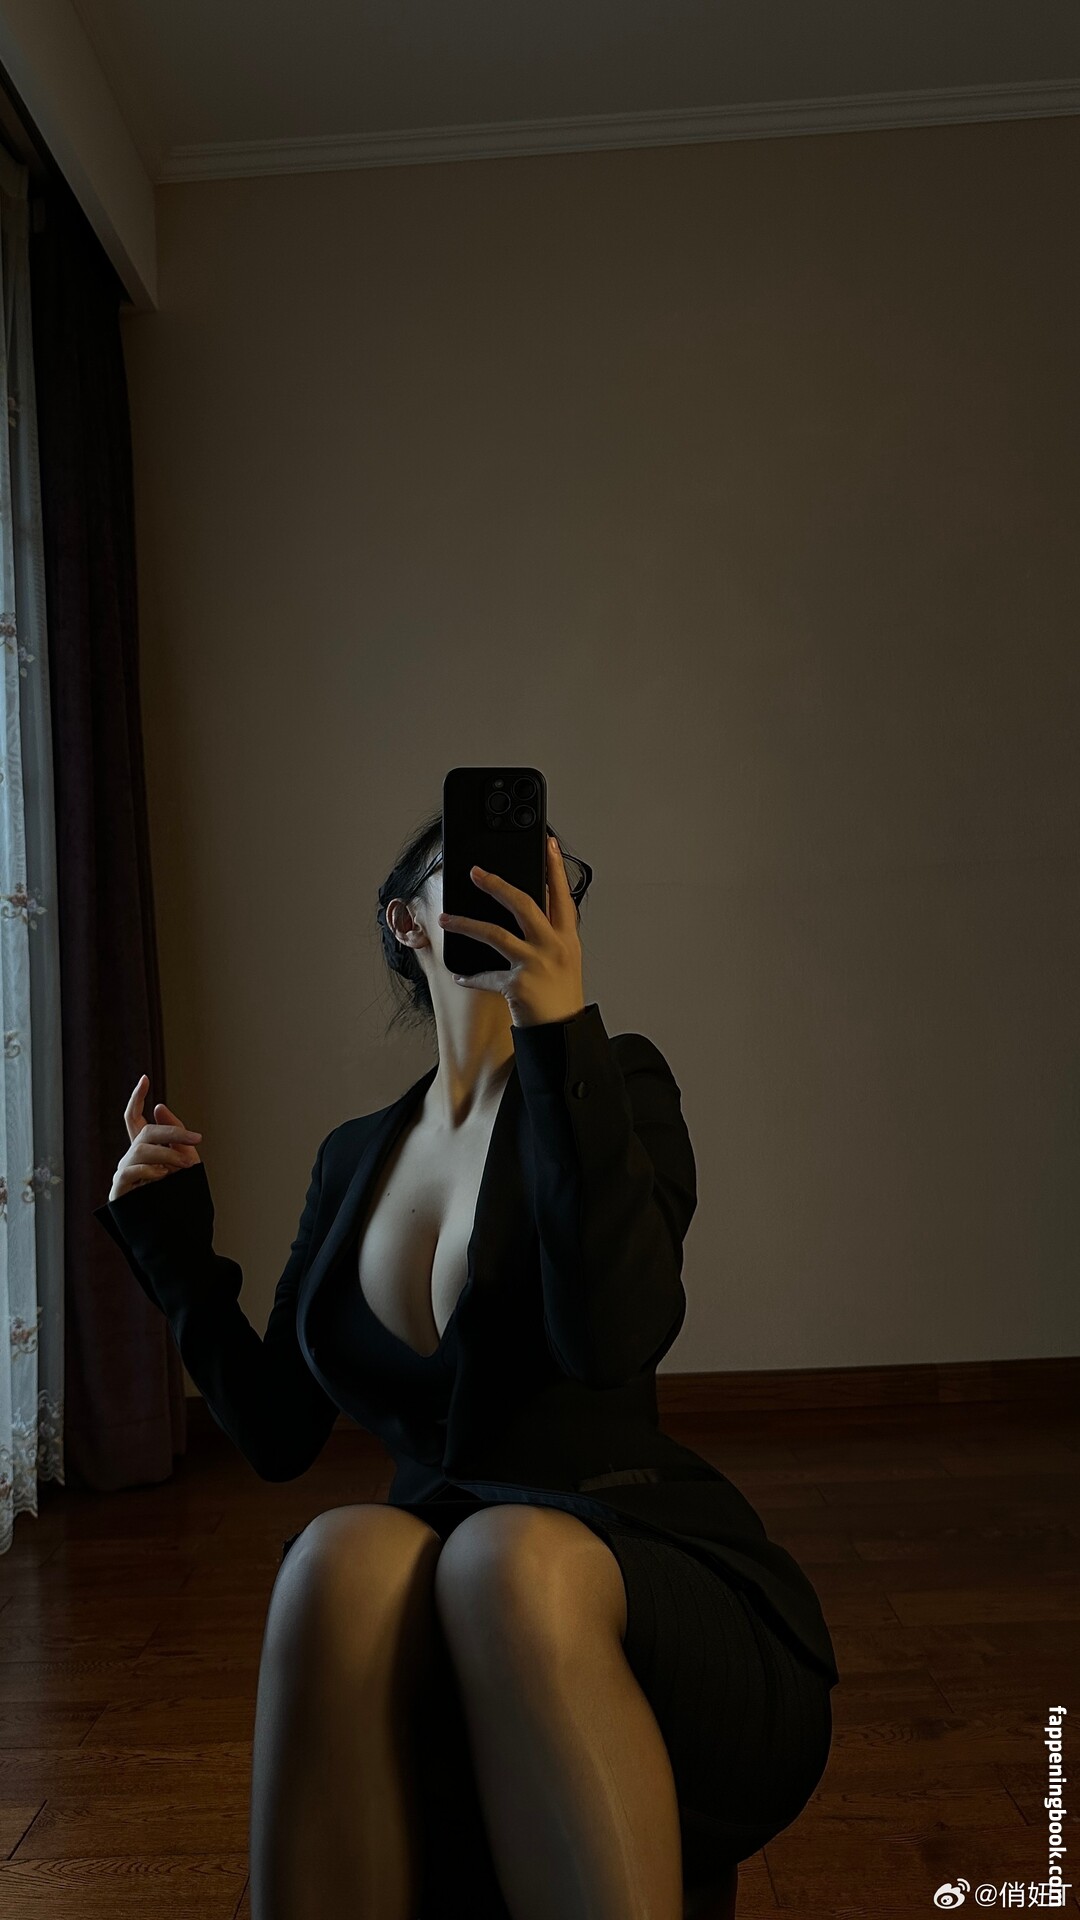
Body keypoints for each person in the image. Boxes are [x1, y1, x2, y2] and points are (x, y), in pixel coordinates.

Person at [94, 806, 838, 1920]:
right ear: (407, 922)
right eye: (477, 870)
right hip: (441, 1574)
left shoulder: (617, 1083)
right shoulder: (353, 1157)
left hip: (632, 1564)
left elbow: (613, 1336)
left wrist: (558, 1033)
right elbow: (278, 1432)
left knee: (504, 1556)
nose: (515, 887)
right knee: (335, 1553)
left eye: (543, 871)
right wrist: (171, 1245)